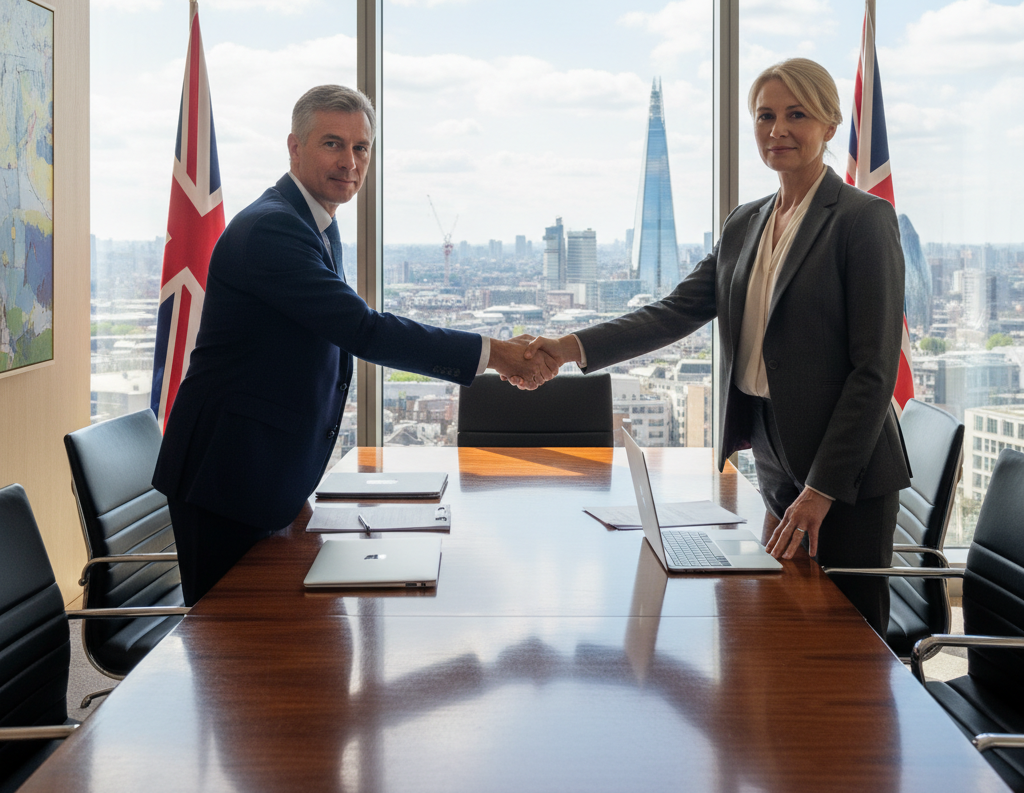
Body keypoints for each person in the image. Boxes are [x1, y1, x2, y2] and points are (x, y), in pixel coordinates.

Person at [522, 58, 910, 636]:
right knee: (789, 624)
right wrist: (570, 345)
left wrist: (821, 488)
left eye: (796, 115)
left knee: (851, 636)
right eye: (765, 116)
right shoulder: (744, 222)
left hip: (845, 469)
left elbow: (874, 371)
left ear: (830, 126)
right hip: (774, 448)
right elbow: (674, 312)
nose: (777, 129)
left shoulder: (862, 220)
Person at [153, 84, 556, 604]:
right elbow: (361, 329)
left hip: (264, 467)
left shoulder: (313, 221)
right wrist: (496, 354)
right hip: (229, 475)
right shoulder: (274, 228)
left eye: (361, 148)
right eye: (332, 144)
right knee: (233, 650)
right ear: (294, 148)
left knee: (281, 640)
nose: (350, 161)